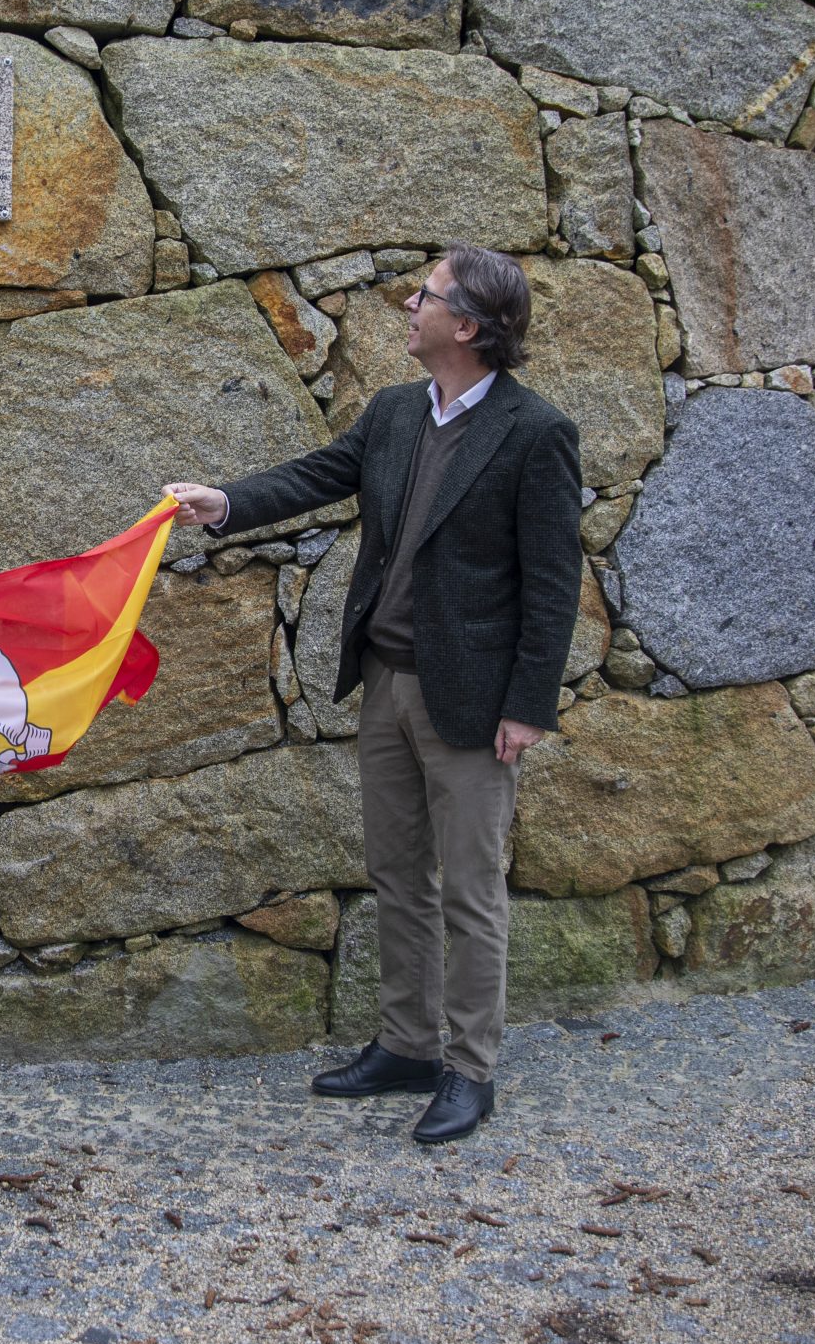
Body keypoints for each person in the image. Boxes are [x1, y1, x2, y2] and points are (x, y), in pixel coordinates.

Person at [165, 245, 581, 1144]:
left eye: (423, 296)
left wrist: (528, 704)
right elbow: (318, 474)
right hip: (388, 682)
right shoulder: (396, 412)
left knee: (471, 890)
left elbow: (553, 582)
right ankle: (408, 1044)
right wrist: (222, 501)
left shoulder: (534, 432)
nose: (406, 303)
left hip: (473, 704)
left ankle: (471, 1070)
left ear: (466, 325)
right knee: (398, 876)